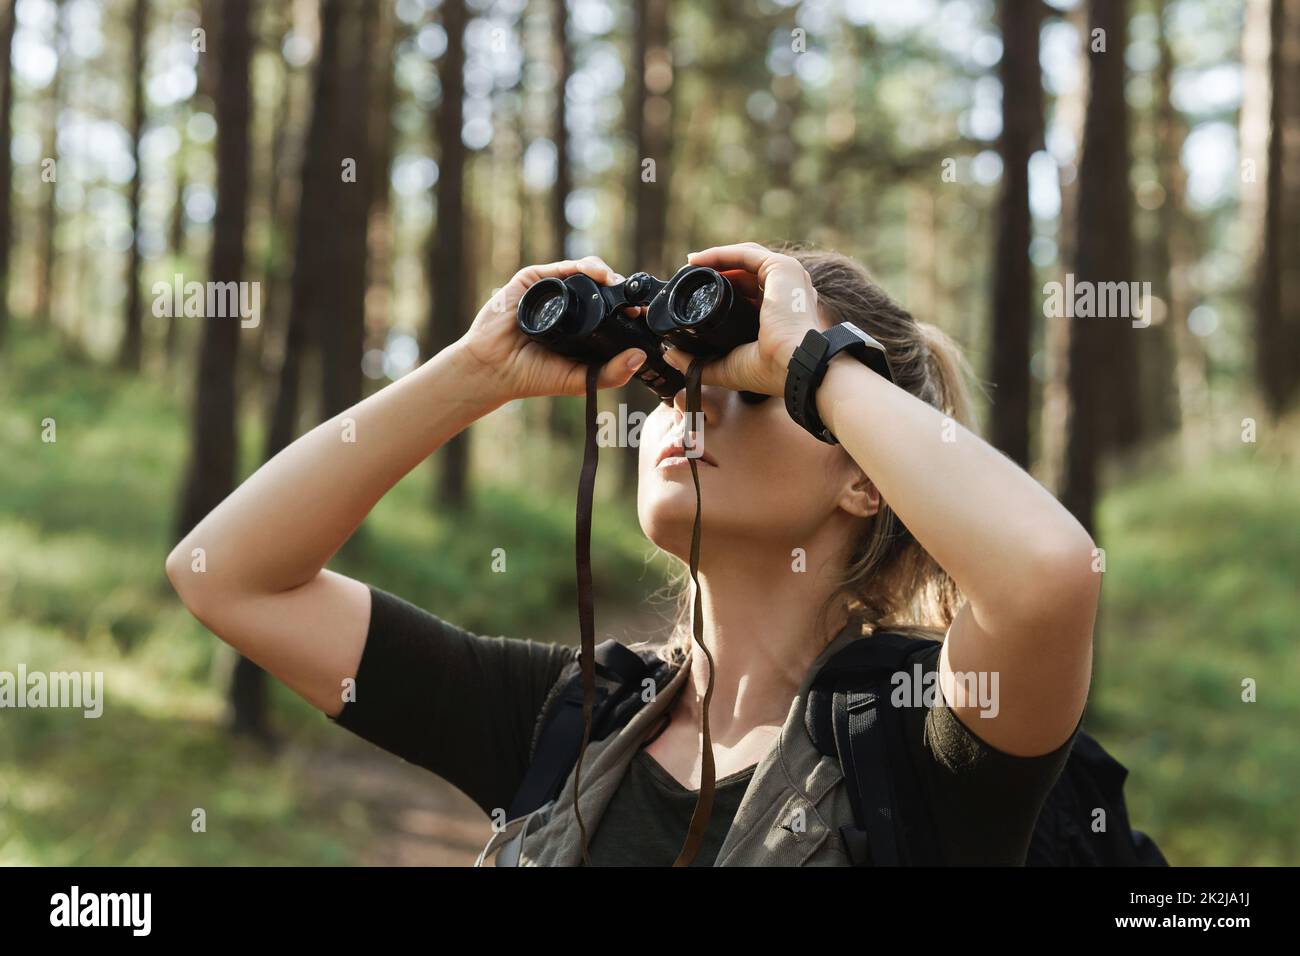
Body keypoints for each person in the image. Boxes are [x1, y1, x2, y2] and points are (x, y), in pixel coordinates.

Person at [166, 241, 1100, 866]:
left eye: (755, 388)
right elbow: (229, 574)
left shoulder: (924, 735)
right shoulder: (570, 721)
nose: (692, 403)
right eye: (678, 378)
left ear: (866, 478)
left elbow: (1049, 575)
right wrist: (473, 373)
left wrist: (816, 362)